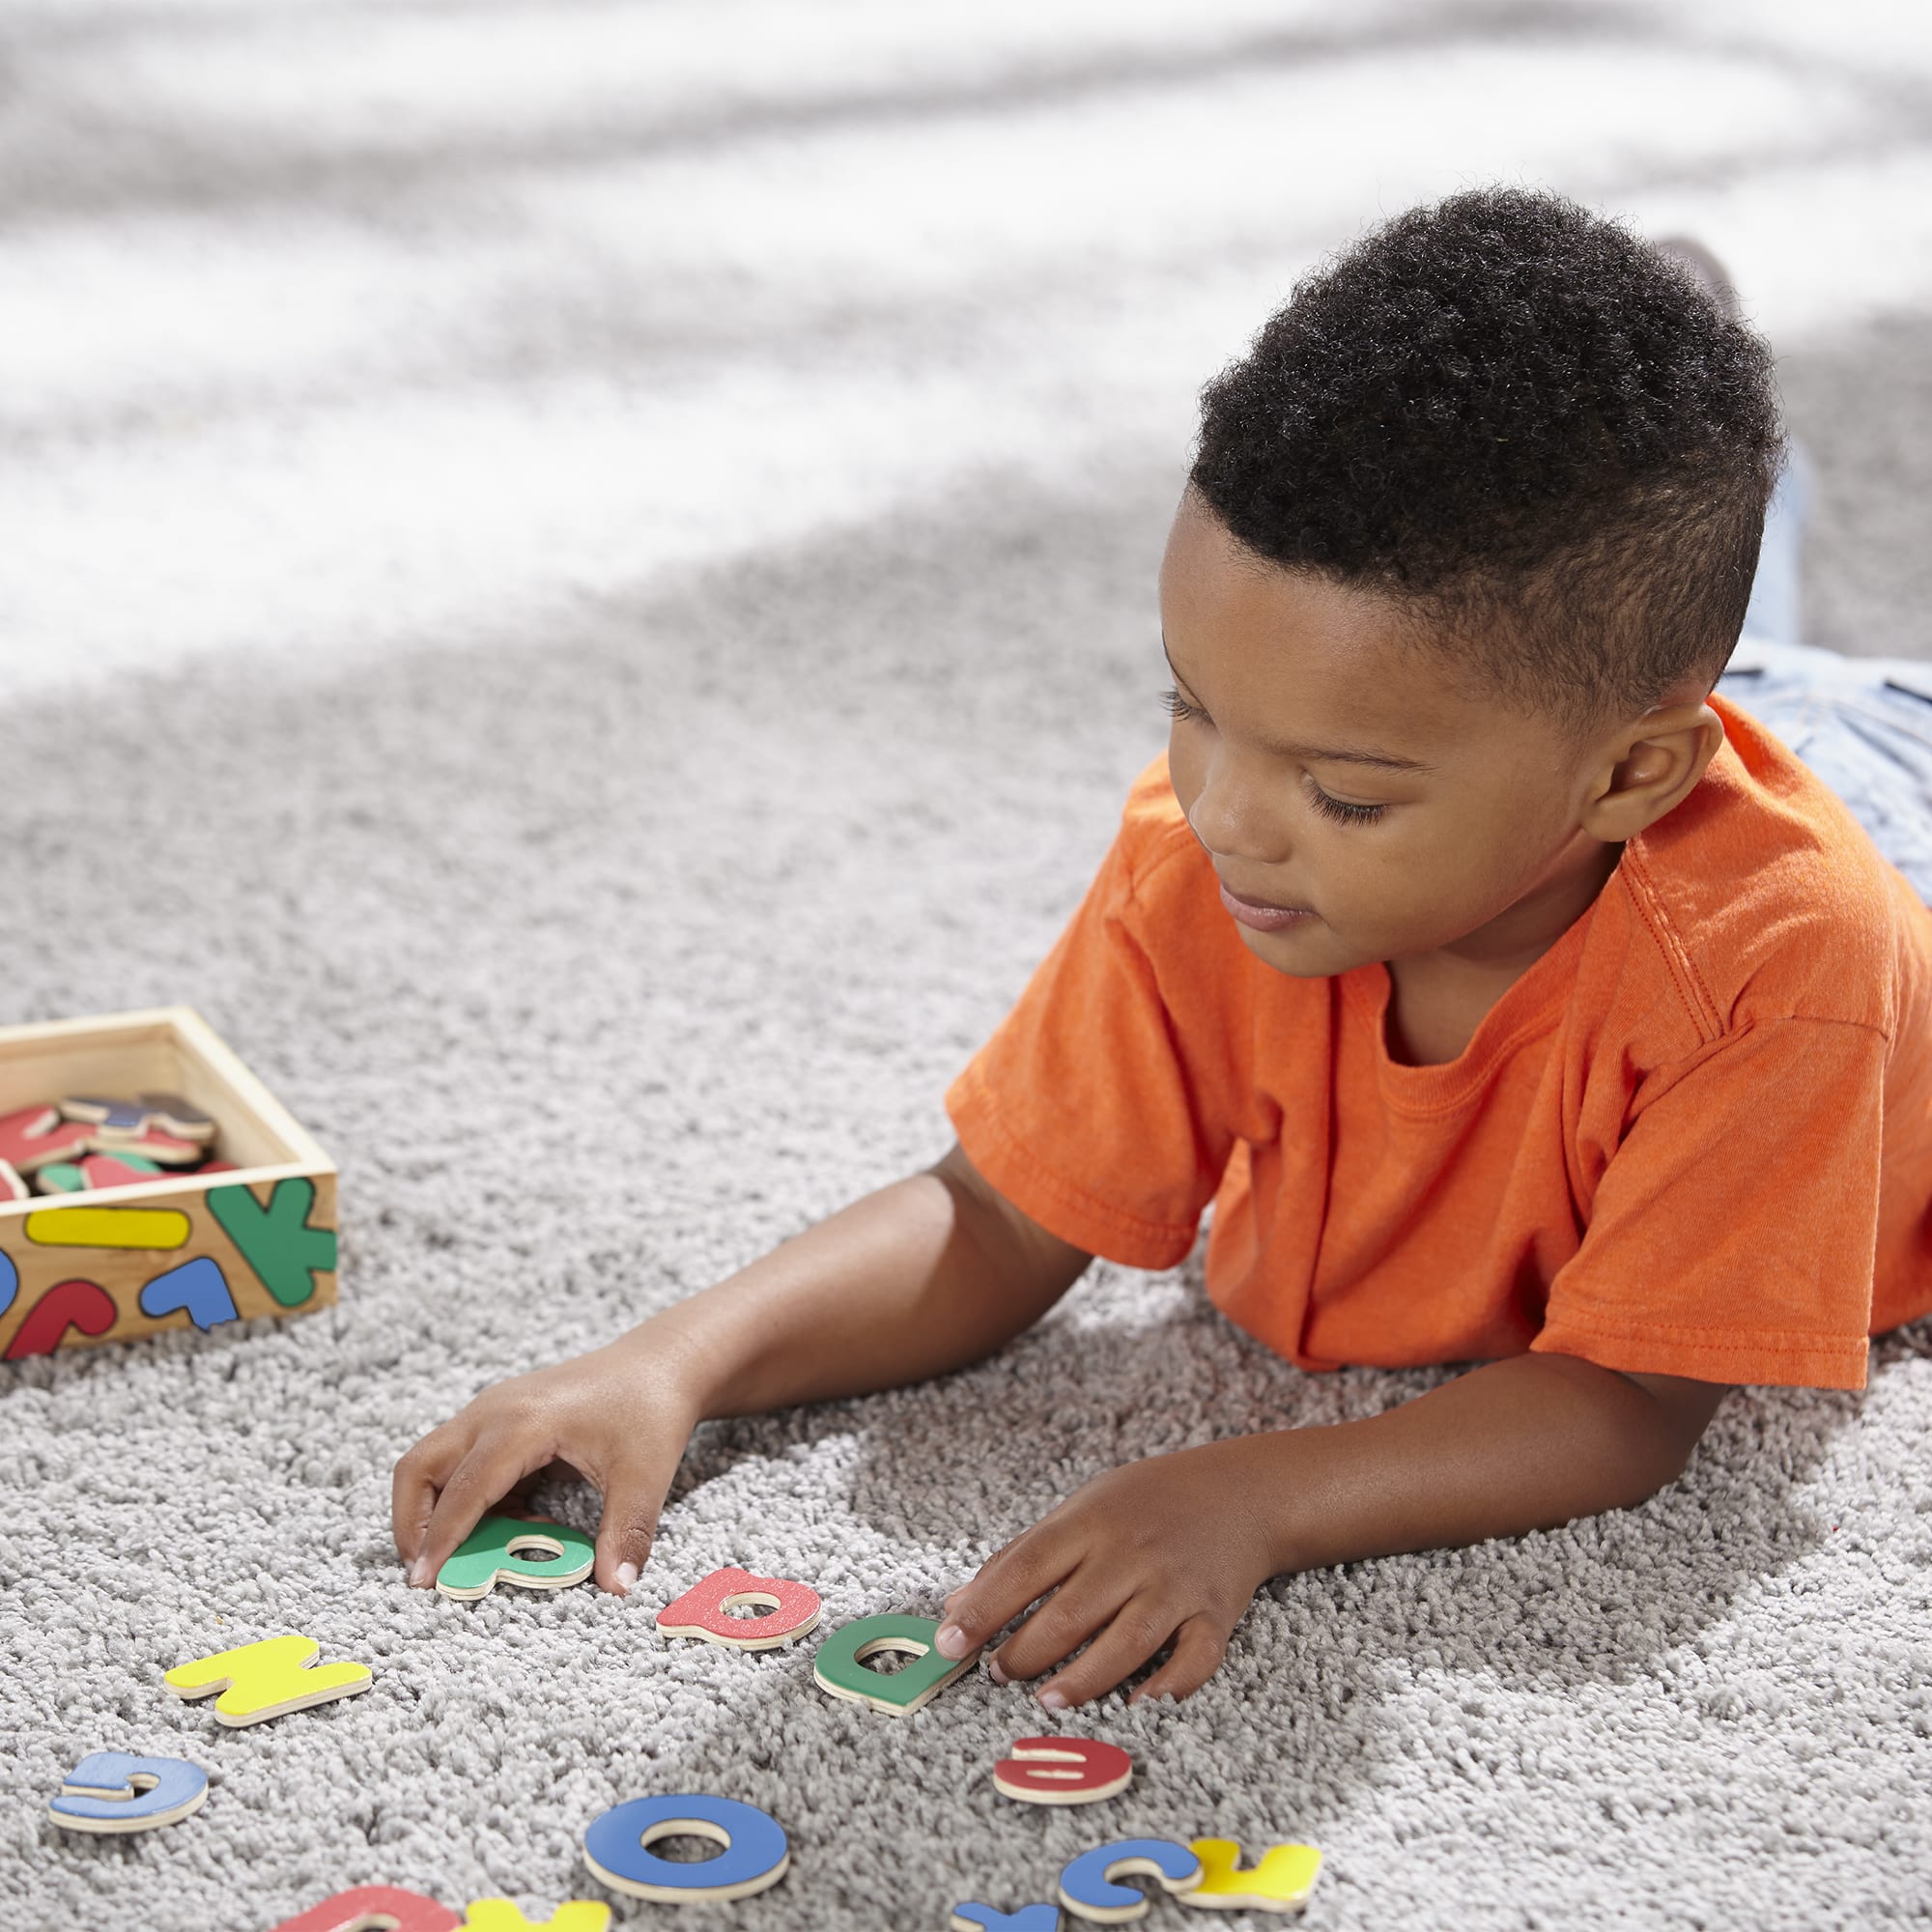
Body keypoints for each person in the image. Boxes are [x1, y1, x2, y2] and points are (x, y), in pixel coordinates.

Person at [391, 185, 1932, 1713]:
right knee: (1699, 645)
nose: (1223, 814)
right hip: (1641, 743)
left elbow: (1632, 1396)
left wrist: (1252, 1493)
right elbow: (996, 1219)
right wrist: (672, 1362)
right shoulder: (1218, 857)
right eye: (1189, 706)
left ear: (1628, 783)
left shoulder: (1785, 969)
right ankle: (1729, 464)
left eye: (1340, 790)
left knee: (1795, 689)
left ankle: (1743, 485)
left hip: (1881, 802)